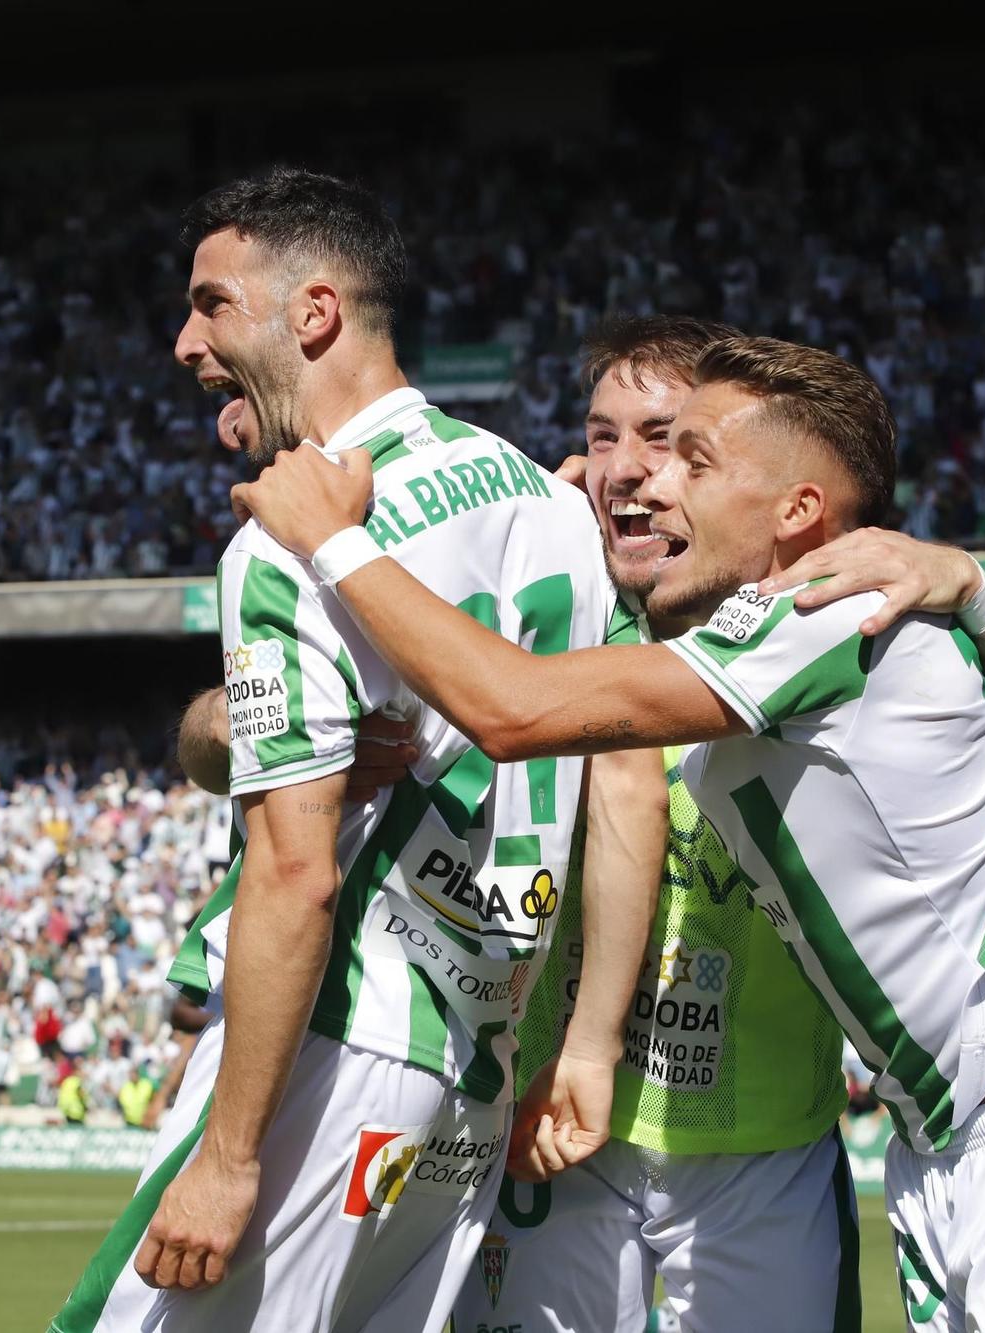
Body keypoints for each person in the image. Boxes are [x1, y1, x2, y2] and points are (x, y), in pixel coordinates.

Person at [233, 333, 985, 1331]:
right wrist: (973, 593)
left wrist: (334, 540)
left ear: (796, 512)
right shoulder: (815, 629)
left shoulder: (818, 616)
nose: (653, 483)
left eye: (690, 460)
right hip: (939, 1155)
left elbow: (511, 708)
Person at [50, 168, 649, 1333]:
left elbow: (294, 871)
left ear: (312, 312)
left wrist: (228, 1155)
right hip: (468, 1071)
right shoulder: (546, 502)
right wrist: (583, 1042)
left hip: (333, 1051)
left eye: (210, 304)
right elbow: (622, 786)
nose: (182, 342)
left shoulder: (293, 540)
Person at [452, 314, 985, 1333]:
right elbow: (238, 735)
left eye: (667, 441)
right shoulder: (527, 614)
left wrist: (974, 592)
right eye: (601, 437)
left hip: (764, 1149)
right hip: (549, 1128)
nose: (628, 471)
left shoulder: (832, 625)